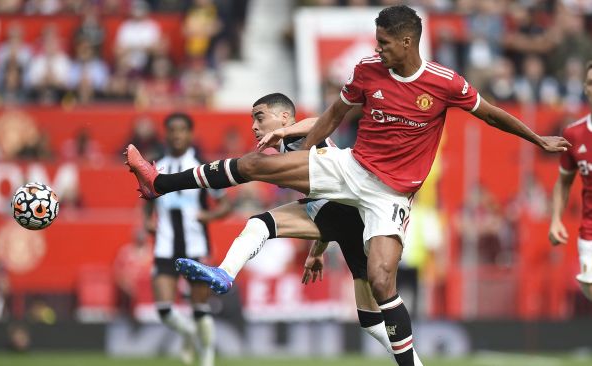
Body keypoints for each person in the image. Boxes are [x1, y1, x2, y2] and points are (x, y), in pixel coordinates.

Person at [126, 6, 570, 366]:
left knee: (379, 283)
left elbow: (490, 112)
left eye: (383, 42)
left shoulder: (444, 82)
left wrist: (536, 137)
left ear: (407, 42)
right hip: (351, 168)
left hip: (390, 195)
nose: (376, 49)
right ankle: (161, 182)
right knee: (257, 164)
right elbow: (333, 117)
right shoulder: (367, 71)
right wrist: (302, 155)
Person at [175, 93, 394, 357]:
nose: (254, 126)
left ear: (285, 117)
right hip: (343, 217)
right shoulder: (291, 150)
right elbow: (325, 200)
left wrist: (286, 132)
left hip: (350, 214)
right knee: (372, 323)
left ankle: (225, 273)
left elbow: (318, 121)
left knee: (260, 224)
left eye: (259, 117)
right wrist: (316, 252)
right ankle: (412, 359)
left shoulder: (298, 138)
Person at [145, 113, 232, 366]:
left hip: (196, 246)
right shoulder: (155, 167)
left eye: (182, 129)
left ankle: (206, 358)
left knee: (199, 308)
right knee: (164, 310)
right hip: (164, 245)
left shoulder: (203, 167)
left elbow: (225, 205)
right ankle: (190, 335)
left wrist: (209, 214)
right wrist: (147, 222)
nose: (176, 135)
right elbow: (147, 202)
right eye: (172, 130)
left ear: (190, 134)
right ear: (166, 133)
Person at [548, 60, 592, 302]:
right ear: (585, 88)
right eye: (591, 83)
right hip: (589, 230)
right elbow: (563, 183)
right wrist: (555, 219)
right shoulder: (574, 134)